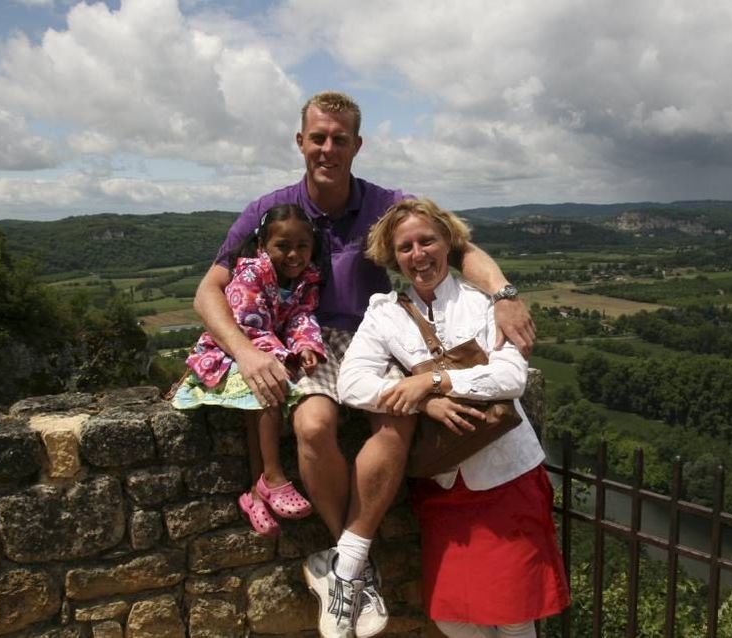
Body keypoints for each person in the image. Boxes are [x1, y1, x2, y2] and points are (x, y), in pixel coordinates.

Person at [193, 91, 536, 638]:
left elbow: (457, 246)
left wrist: (503, 292)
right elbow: (209, 289)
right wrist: (247, 350)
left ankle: (347, 565)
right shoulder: (269, 210)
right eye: (318, 137)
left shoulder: (383, 202)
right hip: (301, 342)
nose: (328, 148)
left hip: (372, 337)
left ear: (358, 144)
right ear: (300, 141)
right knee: (311, 425)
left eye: (340, 139)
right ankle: (352, 559)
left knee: (397, 419)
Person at [337, 198, 570, 638]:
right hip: (445, 484)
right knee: (451, 614)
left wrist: (432, 383)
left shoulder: (482, 303)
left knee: (516, 613)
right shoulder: (384, 312)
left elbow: (511, 376)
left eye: (427, 241)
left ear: (448, 241)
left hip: (506, 475)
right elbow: (350, 384)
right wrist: (420, 402)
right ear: (392, 256)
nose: (418, 254)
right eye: (405, 247)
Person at [173, 204, 322, 536]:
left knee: (257, 408)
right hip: (233, 352)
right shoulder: (250, 274)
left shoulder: (307, 279)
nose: (294, 255)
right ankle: (273, 476)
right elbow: (249, 326)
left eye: (302, 246)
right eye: (283, 246)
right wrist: (281, 356)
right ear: (262, 246)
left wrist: (306, 345)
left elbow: (301, 317)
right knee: (271, 387)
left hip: (264, 351)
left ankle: (256, 493)